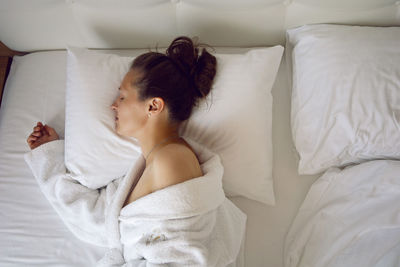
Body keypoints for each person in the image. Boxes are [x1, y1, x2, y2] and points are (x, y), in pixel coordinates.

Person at [25, 36, 247, 266]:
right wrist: (48, 153)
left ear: (153, 106)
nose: (113, 105)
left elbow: (184, 257)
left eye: (122, 96)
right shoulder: (150, 166)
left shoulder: (171, 160)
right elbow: (95, 219)